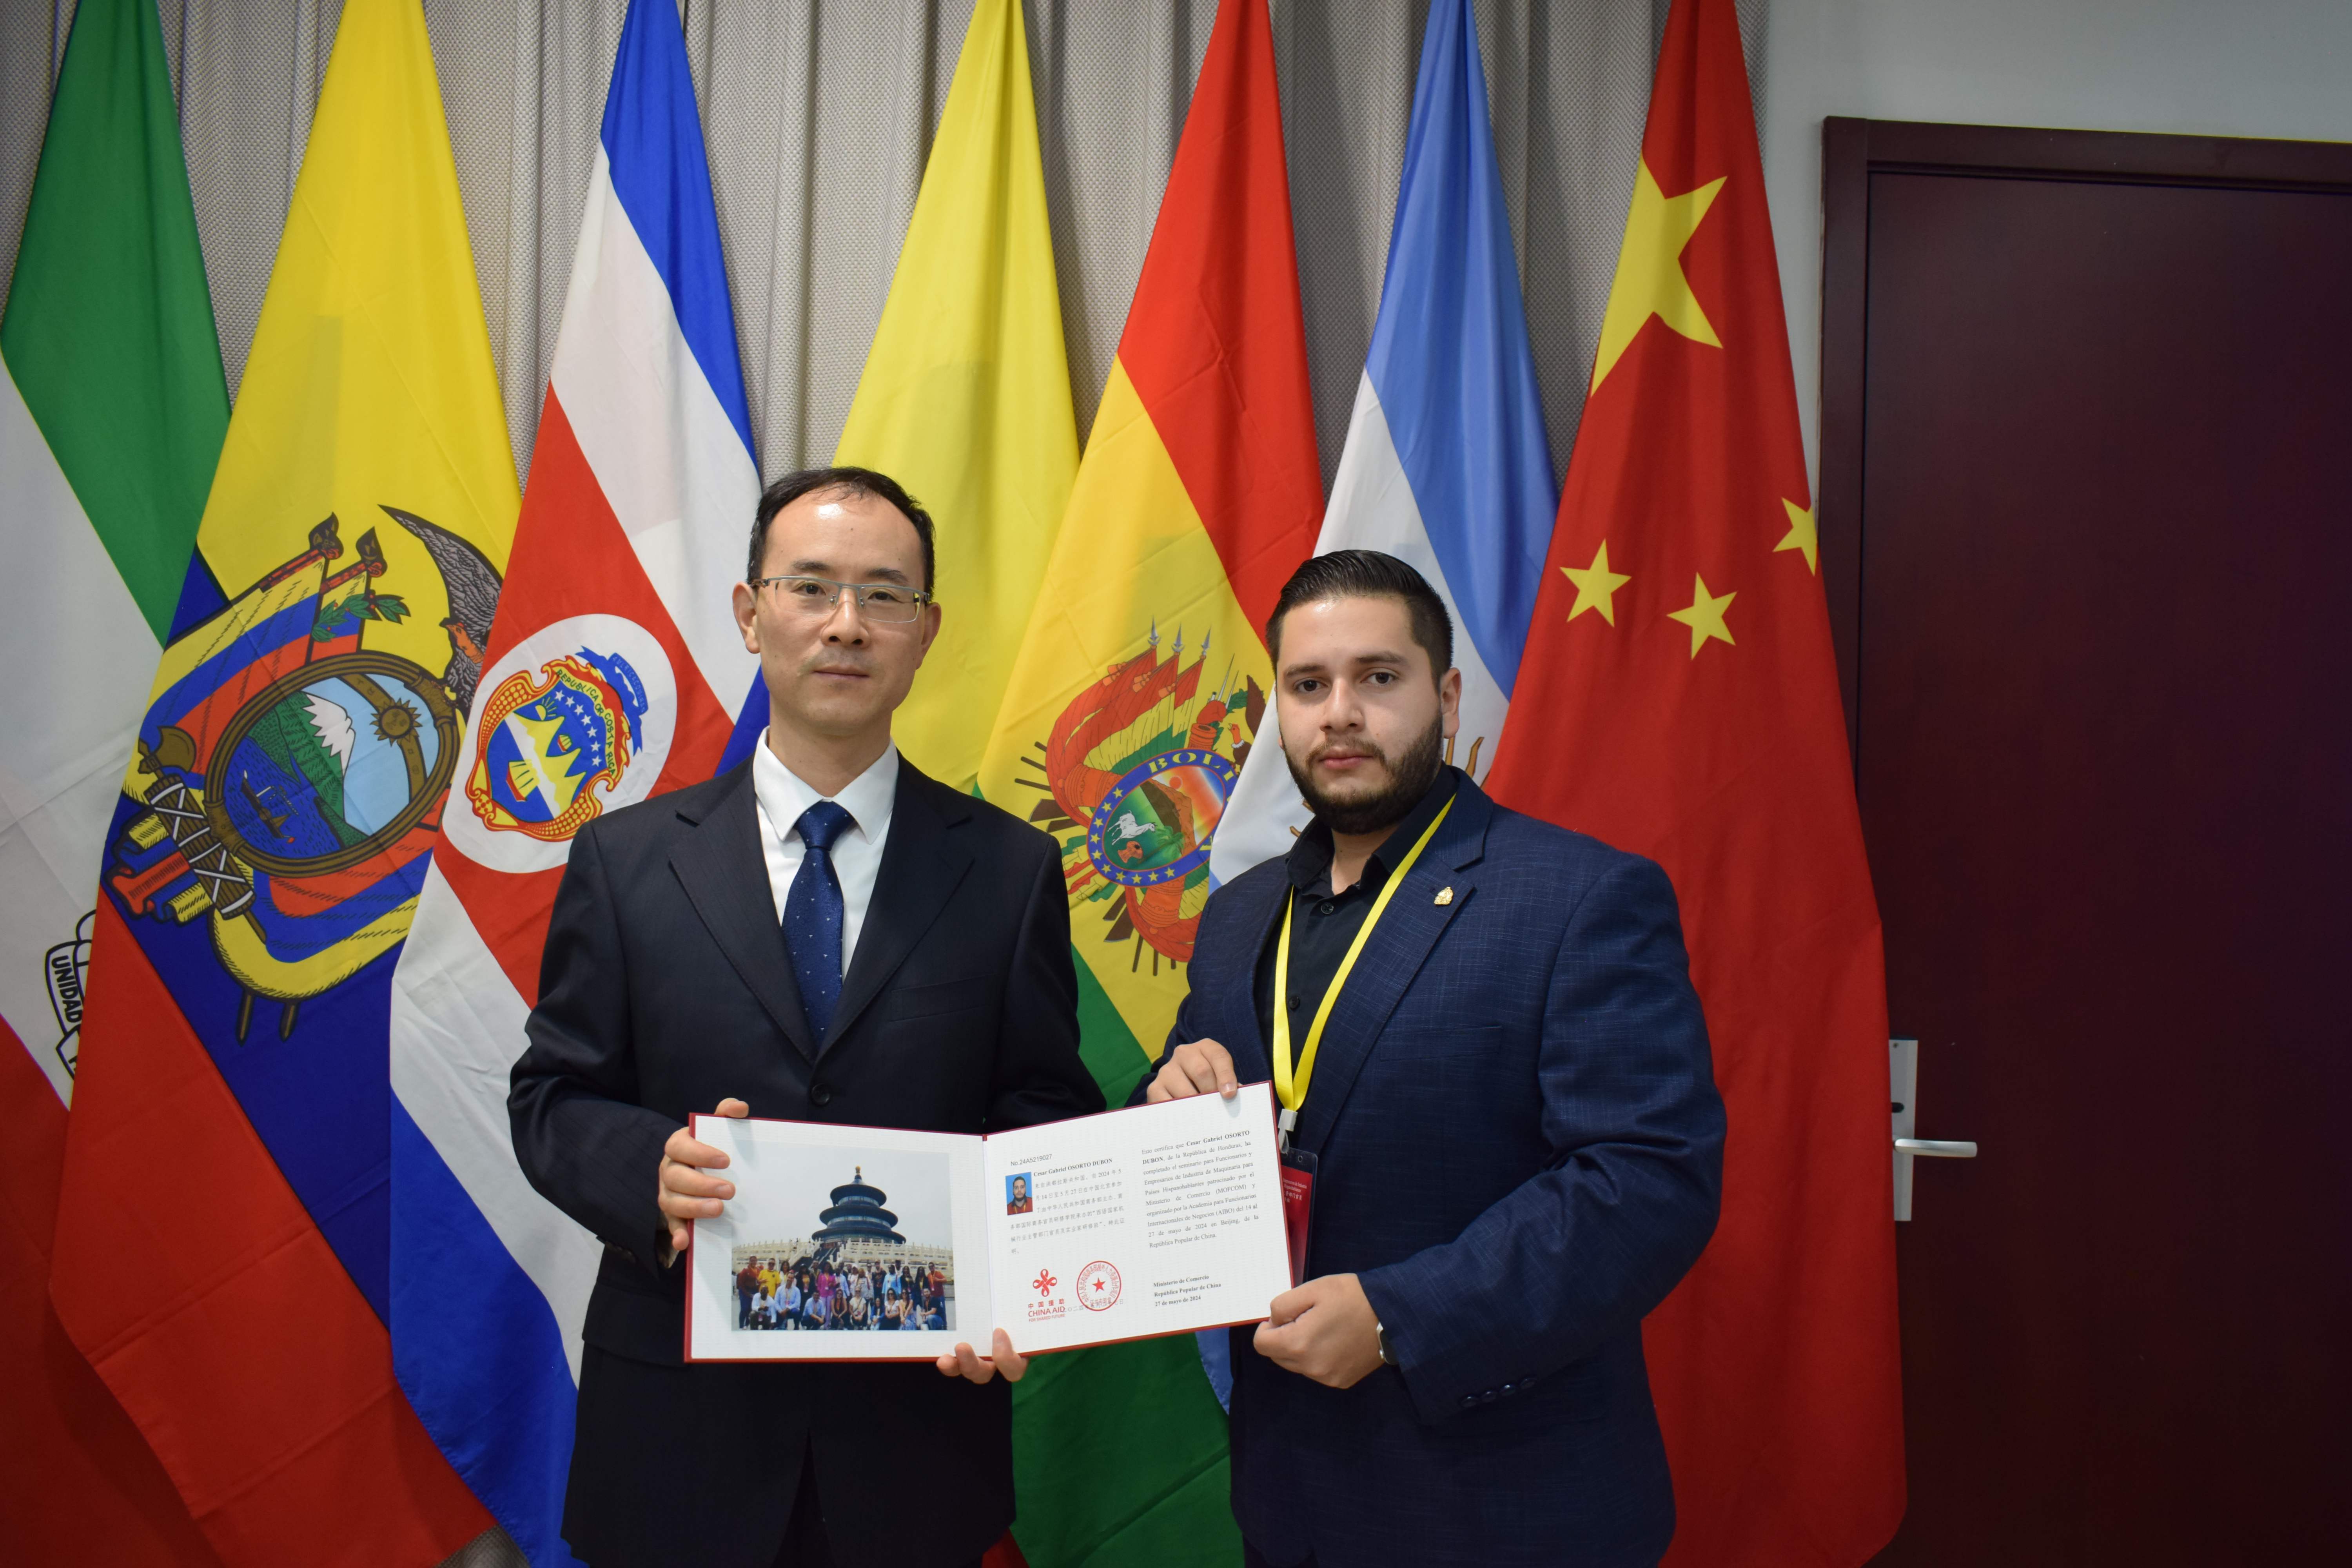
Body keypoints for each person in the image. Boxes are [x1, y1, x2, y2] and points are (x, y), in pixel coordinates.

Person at [510, 466, 1104, 1568]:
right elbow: (552, 1097)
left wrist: (1018, 1279)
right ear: (751, 613)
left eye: (885, 595)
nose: (846, 624)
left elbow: (1042, 1112)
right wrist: (650, 1171)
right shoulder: (627, 861)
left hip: (916, 1437)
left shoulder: (1010, 870)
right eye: (811, 587)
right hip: (679, 1433)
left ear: (926, 633)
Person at [1142, 552, 1724, 1568]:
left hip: (1505, 1508)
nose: (1340, 714)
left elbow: (1647, 1182)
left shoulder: (1582, 897)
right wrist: (1165, 1100)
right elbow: (1198, 1123)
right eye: (1308, 685)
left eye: (1379, 677)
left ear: (1447, 698)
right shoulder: (1238, 917)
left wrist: (1399, 1319)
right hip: (1287, 1497)